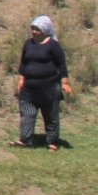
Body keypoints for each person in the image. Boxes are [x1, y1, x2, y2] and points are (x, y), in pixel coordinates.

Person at [11, 15, 72, 151]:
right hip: (29, 89)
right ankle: (25, 140)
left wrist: (65, 83)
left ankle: (52, 142)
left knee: (50, 117)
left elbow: (61, 65)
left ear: (45, 30)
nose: (34, 31)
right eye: (33, 28)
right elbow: (23, 63)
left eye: (37, 29)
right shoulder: (28, 44)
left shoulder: (53, 45)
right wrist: (21, 79)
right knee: (27, 115)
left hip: (49, 88)